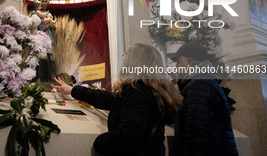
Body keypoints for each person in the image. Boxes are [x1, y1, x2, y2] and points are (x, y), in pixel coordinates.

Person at [52, 43, 183, 156]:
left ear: (133, 62)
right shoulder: (154, 89)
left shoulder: (137, 91)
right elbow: (108, 99)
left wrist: (99, 142)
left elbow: (129, 135)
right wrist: (73, 90)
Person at [167, 42, 238, 156]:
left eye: (178, 62)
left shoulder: (199, 86)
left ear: (190, 62)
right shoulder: (202, 83)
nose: (176, 67)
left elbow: (198, 135)